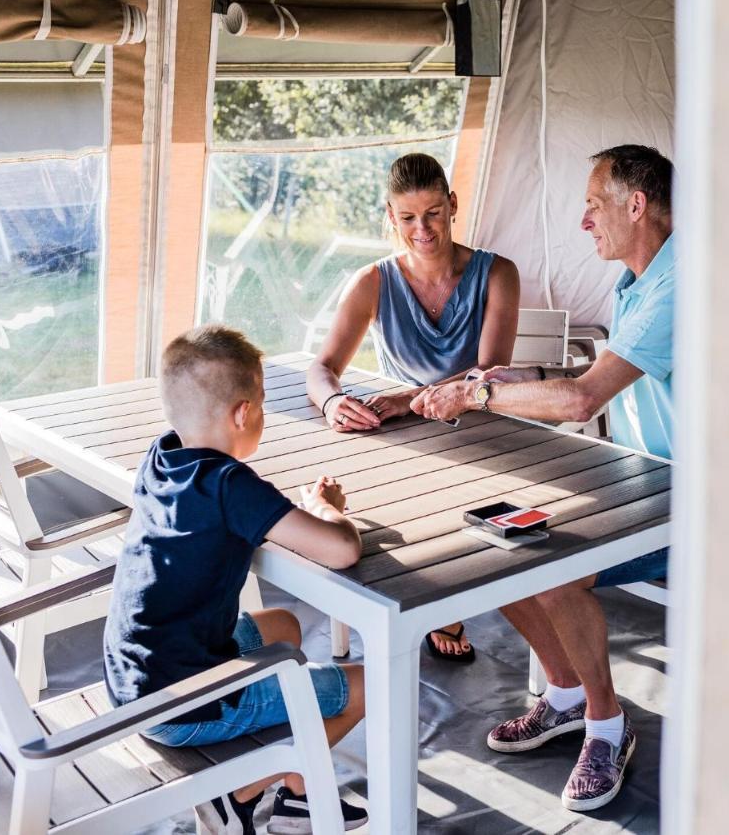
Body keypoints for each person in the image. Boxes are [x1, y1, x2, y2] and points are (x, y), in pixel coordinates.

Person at [411, 144, 675, 812]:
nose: (585, 222)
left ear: (635, 206)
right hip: (641, 479)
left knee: (550, 564)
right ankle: (560, 697)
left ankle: (607, 726)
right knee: (498, 540)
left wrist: (476, 397)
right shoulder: (641, 279)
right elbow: (598, 374)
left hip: (696, 499)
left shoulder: (678, 286)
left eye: (593, 206)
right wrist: (513, 378)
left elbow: (584, 400)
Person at [103, 325, 368, 835]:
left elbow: (210, 531)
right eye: (264, 405)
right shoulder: (231, 486)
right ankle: (239, 792)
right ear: (243, 413)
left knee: (285, 627)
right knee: (366, 685)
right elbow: (341, 550)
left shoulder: (161, 457)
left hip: (136, 679)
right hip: (186, 705)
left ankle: (299, 798)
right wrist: (324, 508)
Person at [306, 152, 520, 662]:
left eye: (432, 213)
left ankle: (437, 595)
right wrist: (333, 401)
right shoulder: (371, 282)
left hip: (480, 426)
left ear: (452, 204)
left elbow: (489, 372)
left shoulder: (498, 274)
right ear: (390, 216)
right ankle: (414, 602)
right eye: (407, 217)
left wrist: (406, 396)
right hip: (401, 440)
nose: (421, 228)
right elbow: (321, 369)